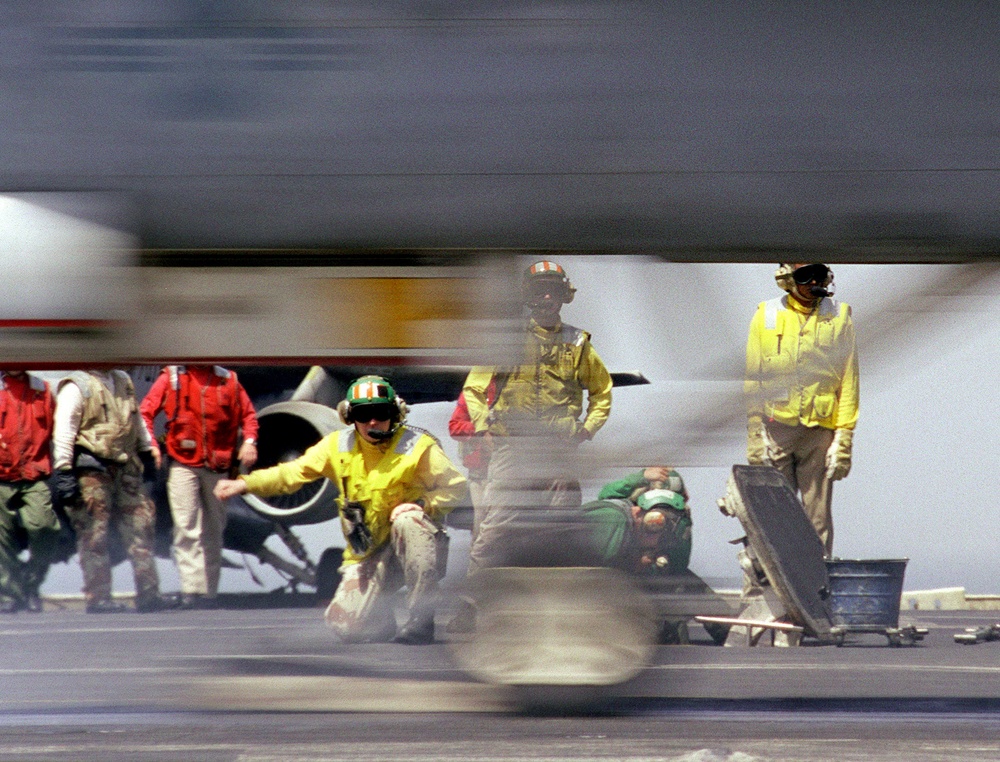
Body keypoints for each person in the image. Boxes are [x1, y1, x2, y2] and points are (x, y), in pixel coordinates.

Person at [214, 375, 466, 645]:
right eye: (363, 413)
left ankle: (421, 619)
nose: (372, 422)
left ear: (395, 414)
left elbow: (455, 487)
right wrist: (245, 484)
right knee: (345, 626)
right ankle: (380, 618)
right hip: (369, 553)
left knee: (409, 520)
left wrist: (421, 505)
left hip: (415, 546)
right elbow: (292, 473)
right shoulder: (337, 446)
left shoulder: (417, 446)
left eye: (380, 413)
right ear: (349, 416)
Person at [460, 260, 613, 575]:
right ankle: (472, 603)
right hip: (512, 448)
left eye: (552, 292)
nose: (546, 298)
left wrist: (587, 429)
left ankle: (553, 603)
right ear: (528, 296)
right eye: (539, 291)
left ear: (562, 296)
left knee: (562, 529)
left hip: (560, 450)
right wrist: (484, 427)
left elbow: (602, 392)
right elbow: (473, 389)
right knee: (496, 529)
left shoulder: (578, 343)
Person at [744, 263, 859, 556]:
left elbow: (848, 380)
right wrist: (755, 433)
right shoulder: (766, 315)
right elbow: (753, 378)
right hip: (777, 428)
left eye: (817, 276)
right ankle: (764, 581)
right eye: (803, 276)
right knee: (772, 515)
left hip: (820, 432)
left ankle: (816, 582)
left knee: (817, 517)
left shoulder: (839, 316)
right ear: (787, 280)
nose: (812, 283)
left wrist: (844, 439)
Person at [51, 369, 175, 614]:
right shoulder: (77, 386)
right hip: (93, 470)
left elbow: (135, 418)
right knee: (93, 535)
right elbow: (64, 430)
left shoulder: (122, 380)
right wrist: (64, 470)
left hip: (126, 467)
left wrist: (146, 450)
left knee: (141, 527)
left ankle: (149, 594)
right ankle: (98, 598)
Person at [140, 365, 259, 609]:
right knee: (187, 527)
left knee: (214, 529)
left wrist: (249, 442)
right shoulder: (172, 378)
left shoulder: (229, 380)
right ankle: (192, 592)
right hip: (183, 464)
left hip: (217, 466)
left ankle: (209, 594)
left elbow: (248, 416)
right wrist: (151, 444)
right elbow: (145, 413)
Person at [0, 370, 63, 613]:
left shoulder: (42, 389)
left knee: (45, 527)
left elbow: (58, 428)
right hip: (2, 476)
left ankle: (30, 583)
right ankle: (8, 595)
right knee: (1, 540)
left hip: (34, 475)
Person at [582, 466, 692, 575]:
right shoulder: (626, 513)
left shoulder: (679, 524)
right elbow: (606, 495)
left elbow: (678, 564)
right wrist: (641, 478)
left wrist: (652, 565)